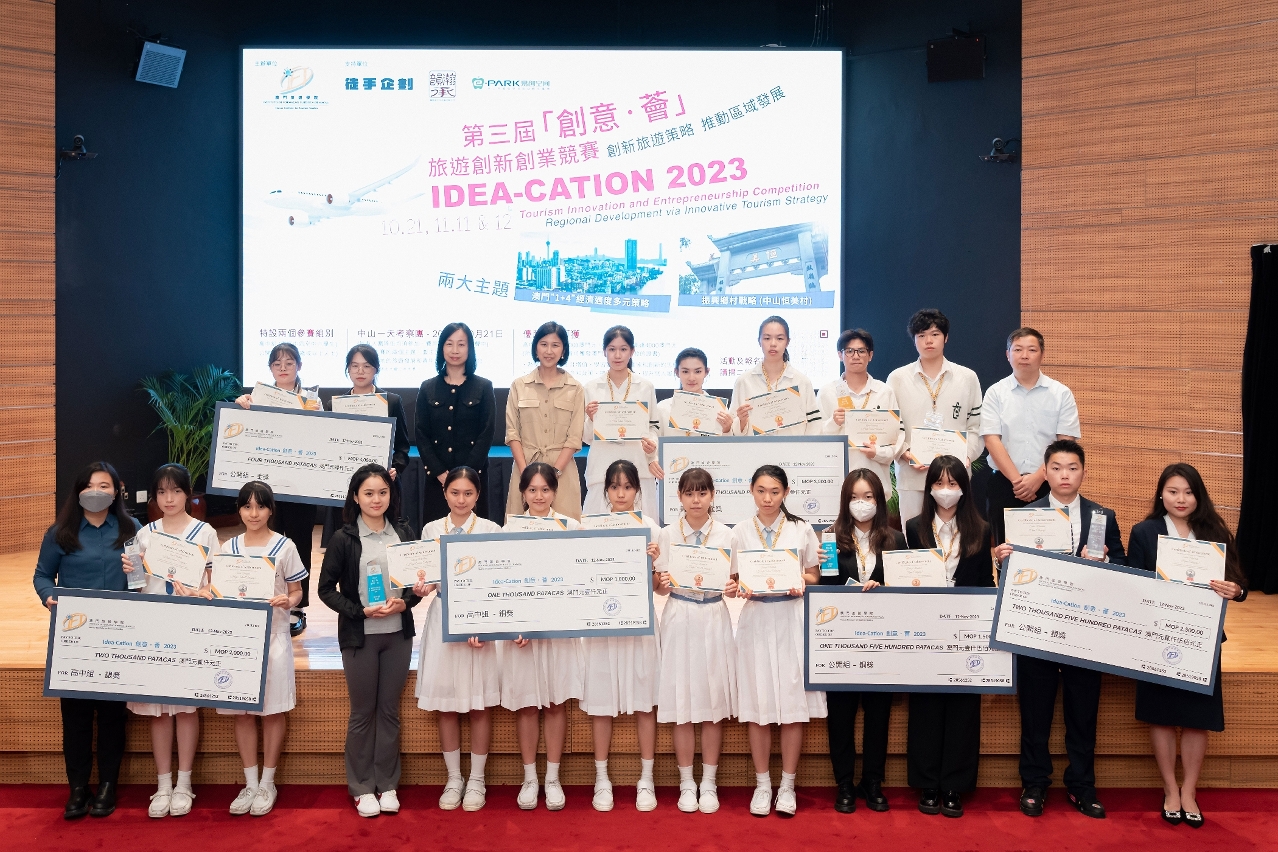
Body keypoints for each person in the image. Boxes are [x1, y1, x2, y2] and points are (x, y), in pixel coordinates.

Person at [993, 439, 1125, 819]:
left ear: (1083, 472)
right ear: (1045, 472)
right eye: (1056, 468)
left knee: (1083, 713)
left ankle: (1082, 785)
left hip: (1085, 630)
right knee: (1035, 712)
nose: (1064, 474)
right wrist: (1002, 560)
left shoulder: (1103, 516)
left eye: (1072, 468)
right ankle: (1034, 783)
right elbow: (1013, 579)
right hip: (1038, 628)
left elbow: (1123, 567)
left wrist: (1104, 562)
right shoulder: (1025, 516)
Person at [1128, 463, 1246, 828]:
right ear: (1161, 494)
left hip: (1202, 637)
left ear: (1199, 495)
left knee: (1197, 719)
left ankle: (1190, 790)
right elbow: (1132, 584)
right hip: (1157, 634)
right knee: (1161, 715)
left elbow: (1239, 584)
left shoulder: (1215, 531)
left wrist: (1235, 590)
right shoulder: (1144, 532)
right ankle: (1170, 789)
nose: (1181, 499)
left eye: (1189, 492)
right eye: (1173, 491)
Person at [33, 461, 141, 820]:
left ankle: (107, 786)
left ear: (116, 491)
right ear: (79, 490)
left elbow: (142, 581)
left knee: (112, 715)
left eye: (105, 486)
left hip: (118, 636)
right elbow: (42, 575)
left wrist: (138, 574)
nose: (97, 492)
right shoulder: (60, 532)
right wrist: (49, 596)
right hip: (75, 638)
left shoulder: (131, 529)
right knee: (75, 717)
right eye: (90, 485)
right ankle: (77, 788)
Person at [318, 464, 422, 818]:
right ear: (355, 497)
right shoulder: (343, 538)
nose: (376, 499)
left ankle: (387, 784)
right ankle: (362, 786)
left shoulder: (403, 532)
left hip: (397, 636)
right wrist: (359, 611)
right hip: (359, 637)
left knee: (389, 712)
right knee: (363, 713)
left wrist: (407, 602)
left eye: (382, 492)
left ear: (391, 495)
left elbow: (414, 586)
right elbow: (325, 590)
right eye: (368, 493)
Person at [121, 464, 219, 818]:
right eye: (161, 492)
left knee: (186, 707)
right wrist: (131, 573)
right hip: (154, 626)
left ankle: (184, 783)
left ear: (188, 494)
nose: (169, 498)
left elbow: (216, 586)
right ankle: (163, 784)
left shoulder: (205, 532)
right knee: (158, 710)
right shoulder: (145, 534)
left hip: (190, 626)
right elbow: (136, 587)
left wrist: (199, 591)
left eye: (176, 491)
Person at [730, 465, 826, 817]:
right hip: (756, 619)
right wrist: (738, 587)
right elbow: (733, 578)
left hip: (791, 619)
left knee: (791, 706)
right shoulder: (739, 531)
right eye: (761, 491)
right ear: (751, 491)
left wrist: (800, 579)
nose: (767, 498)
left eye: (774, 491)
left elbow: (814, 574)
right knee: (758, 707)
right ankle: (762, 784)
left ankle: (787, 785)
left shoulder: (802, 529)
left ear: (786, 492)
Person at [903, 456, 993, 818]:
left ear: (964, 489)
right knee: (925, 707)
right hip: (925, 628)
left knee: (962, 708)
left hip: (965, 630)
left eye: (953, 484)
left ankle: (955, 784)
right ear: (929, 489)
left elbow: (985, 583)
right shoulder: (913, 528)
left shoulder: (981, 529)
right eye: (939, 484)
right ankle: (927, 783)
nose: (945, 490)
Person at [414, 466, 503, 812]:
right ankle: (454, 778)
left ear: (477, 495)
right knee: (447, 704)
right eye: (455, 493)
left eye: (468, 493)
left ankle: (477, 779)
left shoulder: (491, 530)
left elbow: (497, 581)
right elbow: (426, 580)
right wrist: (421, 587)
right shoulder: (431, 530)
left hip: (479, 621)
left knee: (479, 704)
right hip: (444, 619)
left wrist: (484, 623)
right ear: (445, 493)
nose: (461, 500)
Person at [218, 480, 306, 817]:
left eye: (261, 506)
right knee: (242, 711)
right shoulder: (228, 547)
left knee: (272, 710)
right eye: (247, 506)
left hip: (273, 638)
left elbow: (297, 591)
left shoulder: (285, 546)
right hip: (238, 639)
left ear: (271, 510)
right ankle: (250, 782)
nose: (253, 513)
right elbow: (218, 590)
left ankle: (268, 782)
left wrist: (289, 600)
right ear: (239, 510)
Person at [499, 462, 583, 811]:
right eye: (532, 490)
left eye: (545, 490)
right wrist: (516, 624)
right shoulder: (509, 530)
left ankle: (553, 777)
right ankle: (530, 777)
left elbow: (579, 578)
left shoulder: (571, 527)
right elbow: (504, 583)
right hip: (523, 633)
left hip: (558, 629)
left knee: (555, 702)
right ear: (522, 493)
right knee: (528, 703)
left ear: (554, 492)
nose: (538, 496)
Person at [822, 468, 905, 814]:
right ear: (845, 501)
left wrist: (885, 589)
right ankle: (843, 782)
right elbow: (823, 591)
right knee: (840, 714)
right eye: (855, 497)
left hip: (882, 641)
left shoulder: (896, 539)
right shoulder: (830, 539)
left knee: (878, 714)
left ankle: (872, 781)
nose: (862, 503)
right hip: (840, 641)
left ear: (879, 500)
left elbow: (908, 589)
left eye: (868, 497)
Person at [653, 467, 736, 814]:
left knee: (713, 703)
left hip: (714, 616)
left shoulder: (727, 534)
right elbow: (659, 587)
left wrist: (733, 586)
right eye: (689, 493)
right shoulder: (667, 534)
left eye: (702, 493)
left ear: (712, 495)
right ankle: (687, 782)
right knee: (682, 704)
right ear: (680, 497)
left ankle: (709, 782)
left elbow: (735, 583)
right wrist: (661, 582)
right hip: (679, 615)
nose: (696, 500)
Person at [581, 460, 663, 812]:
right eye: (614, 487)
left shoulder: (652, 530)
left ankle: (647, 778)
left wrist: (653, 564)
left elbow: (660, 588)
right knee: (601, 703)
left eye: (627, 487)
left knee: (645, 702)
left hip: (640, 623)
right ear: (606, 491)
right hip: (602, 624)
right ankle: (602, 779)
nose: (621, 493)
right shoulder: (590, 527)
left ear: (637, 490)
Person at [235, 342, 320, 636]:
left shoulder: (312, 400)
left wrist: (318, 418)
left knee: (300, 543)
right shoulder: (258, 397)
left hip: (302, 486)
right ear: (270, 368)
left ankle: (297, 606)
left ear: (299, 365)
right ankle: (263, 597)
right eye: (277, 363)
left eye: (289, 362)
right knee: (266, 541)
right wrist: (241, 406)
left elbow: (323, 439)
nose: (283, 368)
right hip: (267, 487)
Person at [886, 309, 984, 530]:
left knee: (955, 538)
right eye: (921, 335)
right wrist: (904, 453)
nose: (928, 341)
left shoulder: (967, 377)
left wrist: (966, 456)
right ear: (914, 340)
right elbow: (891, 427)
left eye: (935, 334)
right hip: (912, 476)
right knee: (915, 540)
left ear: (946, 337)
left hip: (955, 479)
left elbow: (976, 426)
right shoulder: (897, 378)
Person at [981, 328, 1080, 544]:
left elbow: (1065, 443)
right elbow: (991, 440)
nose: (1024, 355)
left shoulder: (1061, 393)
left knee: (1051, 547)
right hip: (1005, 484)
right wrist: (1018, 481)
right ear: (1008, 355)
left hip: (1049, 483)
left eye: (1032, 350)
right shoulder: (995, 393)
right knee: (1006, 550)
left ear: (1042, 354)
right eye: (1018, 349)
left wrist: (1037, 477)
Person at [415, 323, 496, 521]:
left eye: (461, 344)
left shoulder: (483, 387)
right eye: (449, 344)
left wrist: (465, 476)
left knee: (474, 533)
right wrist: (439, 473)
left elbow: (486, 433)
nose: (455, 350)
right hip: (438, 480)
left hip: (473, 480)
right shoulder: (428, 387)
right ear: (441, 348)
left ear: (470, 349)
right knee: (436, 532)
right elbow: (421, 434)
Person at [505, 321, 586, 520]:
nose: (549, 351)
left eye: (555, 345)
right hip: (525, 467)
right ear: (535, 348)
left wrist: (554, 474)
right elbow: (512, 433)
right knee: (521, 530)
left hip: (562, 473)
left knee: (565, 531)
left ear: (563, 350)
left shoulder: (575, 388)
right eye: (543, 344)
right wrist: (527, 474)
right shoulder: (519, 386)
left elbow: (574, 438)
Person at [582, 327, 661, 517]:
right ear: (604, 352)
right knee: (599, 527)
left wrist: (652, 444)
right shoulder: (591, 387)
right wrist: (591, 419)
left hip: (638, 464)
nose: (617, 355)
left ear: (632, 351)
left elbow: (654, 426)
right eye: (612, 349)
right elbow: (585, 438)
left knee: (643, 527)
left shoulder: (645, 386)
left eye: (623, 349)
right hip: (602, 466)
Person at [819, 329, 905, 487]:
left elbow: (898, 435)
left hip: (876, 477)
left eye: (861, 351)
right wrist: (833, 423)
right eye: (849, 351)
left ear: (870, 355)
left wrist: (878, 453)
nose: (855, 356)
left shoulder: (884, 392)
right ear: (840, 355)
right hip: (837, 479)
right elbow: (815, 436)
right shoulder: (827, 392)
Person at [729, 316, 821, 436]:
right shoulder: (744, 381)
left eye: (779, 338)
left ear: (788, 342)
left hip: (792, 447)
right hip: (754, 448)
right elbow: (731, 428)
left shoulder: (802, 382)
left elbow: (814, 426)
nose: (773, 343)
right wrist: (741, 421)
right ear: (759, 341)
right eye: (767, 338)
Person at [342, 344, 411, 480]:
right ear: (348, 369)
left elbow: (402, 447)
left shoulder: (392, 401)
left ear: (376, 369)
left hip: (382, 479)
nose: (360, 371)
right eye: (355, 366)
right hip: (347, 478)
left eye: (367, 366)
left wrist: (395, 468)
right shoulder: (336, 405)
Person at [655, 348, 734, 438]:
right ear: (677, 372)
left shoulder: (719, 410)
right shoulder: (662, 408)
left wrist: (727, 430)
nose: (691, 378)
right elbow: (656, 442)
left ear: (706, 372)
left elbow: (726, 445)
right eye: (685, 371)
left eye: (698, 371)